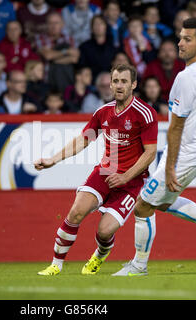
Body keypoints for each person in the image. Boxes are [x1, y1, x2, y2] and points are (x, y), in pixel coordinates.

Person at [112, 18, 196, 277]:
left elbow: (175, 128)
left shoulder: (184, 77)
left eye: (187, 39)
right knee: (162, 203)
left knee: (143, 206)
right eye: (180, 37)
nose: (180, 43)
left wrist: (169, 168)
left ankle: (139, 266)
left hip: (182, 154)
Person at [35, 63, 158, 276]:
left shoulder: (145, 114)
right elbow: (84, 140)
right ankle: (56, 265)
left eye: (124, 81)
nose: (119, 86)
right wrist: (52, 160)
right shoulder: (103, 112)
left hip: (132, 181)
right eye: (116, 81)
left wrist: (125, 177)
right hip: (105, 171)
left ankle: (101, 253)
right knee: (75, 212)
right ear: (110, 84)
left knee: (104, 231)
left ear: (134, 84)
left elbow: (150, 153)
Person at [35, 12, 79, 93]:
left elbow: (74, 58)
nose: (54, 26)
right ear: (46, 25)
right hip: (46, 80)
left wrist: (54, 60)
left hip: (65, 79)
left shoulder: (69, 39)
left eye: (56, 23)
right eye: (50, 23)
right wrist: (67, 51)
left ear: (62, 24)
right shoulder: (40, 38)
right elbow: (48, 56)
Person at [78, 14, 118, 83]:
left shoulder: (113, 46)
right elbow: (82, 67)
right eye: (95, 24)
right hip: (91, 82)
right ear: (92, 29)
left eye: (101, 23)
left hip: (110, 81)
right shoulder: (84, 47)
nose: (98, 26)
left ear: (106, 26)